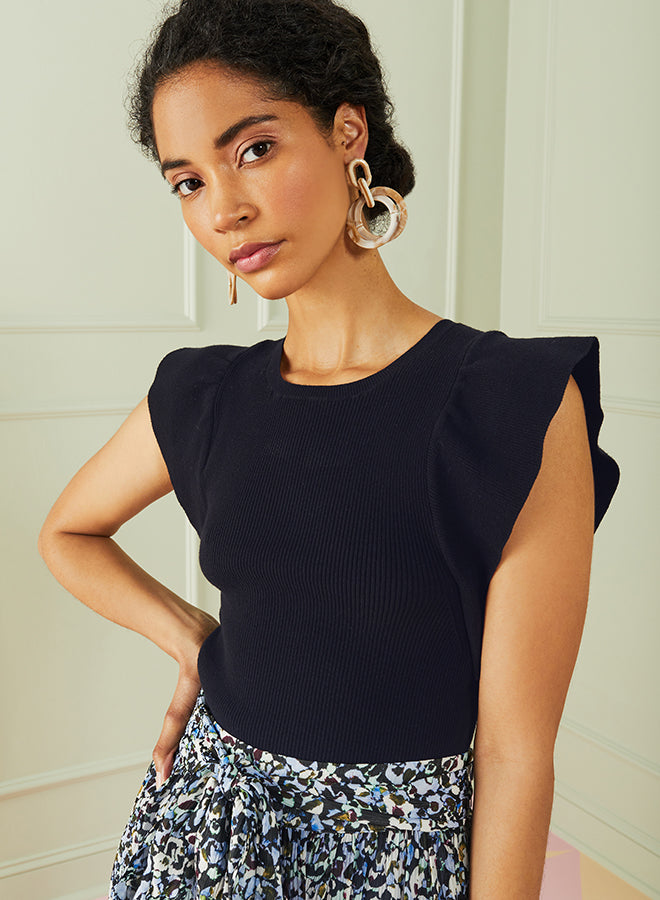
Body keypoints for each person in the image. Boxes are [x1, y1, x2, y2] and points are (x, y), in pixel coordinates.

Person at [38, 0, 620, 897]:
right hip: (205, 829)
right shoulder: (202, 394)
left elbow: (516, 753)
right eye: (187, 182)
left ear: (348, 132)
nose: (224, 210)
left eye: (254, 149)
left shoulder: (510, 403)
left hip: (396, 857)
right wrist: (189, 637)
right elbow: (67, 533)